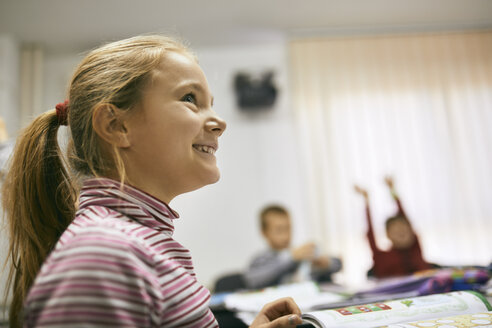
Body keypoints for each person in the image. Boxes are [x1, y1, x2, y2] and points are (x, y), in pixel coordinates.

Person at [2, 35, 303, 328]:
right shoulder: (103, 255)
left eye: (209, 103)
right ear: (116, 125)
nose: (219, 122)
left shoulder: (138, 243)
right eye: (190, 99)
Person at [244, 205, 342, 289]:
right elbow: (252, 280)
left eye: (288, 228)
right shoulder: (261, 259)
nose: (286, 235)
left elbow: (338, 265)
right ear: (264, 233)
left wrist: (325, 263)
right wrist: (291, 257)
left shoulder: (301, 253)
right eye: (279, 230)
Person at [354, 176, 433, 279]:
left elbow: (404, 216)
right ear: (387, 235)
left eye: (404, 229)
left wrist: (392, 189)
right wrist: (366, 201)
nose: (401, 232)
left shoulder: (415, 248)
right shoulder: (381, 256)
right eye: (396, 231)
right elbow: (370, 233)